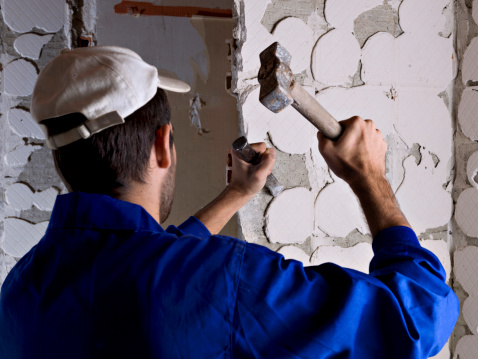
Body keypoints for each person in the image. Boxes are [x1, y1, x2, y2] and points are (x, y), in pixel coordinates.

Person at [0, 46, 458, 358]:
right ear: (163, 145)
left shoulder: (22, 292)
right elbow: (418, 315)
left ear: (62, 159)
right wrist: (368, 176)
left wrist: (236, 194)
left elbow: (144, 263)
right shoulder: (222, 280)